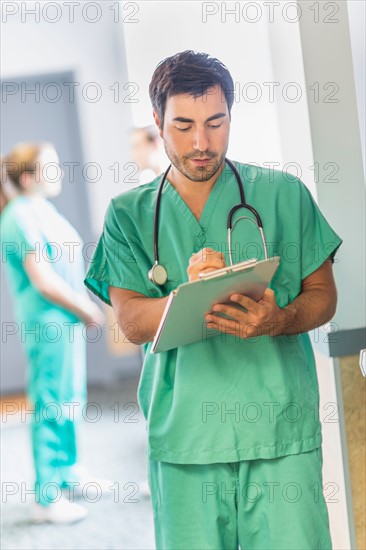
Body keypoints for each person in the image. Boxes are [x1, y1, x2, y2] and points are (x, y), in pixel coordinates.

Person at [84, 51, 342, 549]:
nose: (201, 143)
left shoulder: (284, 194)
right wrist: (188, 297)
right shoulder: (128, 215)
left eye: (215, 123)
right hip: (187, 438)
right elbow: (133, 322)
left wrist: (279, 318)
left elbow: (324, 298)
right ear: (157, 122)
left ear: (231, 117)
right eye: (183, 126)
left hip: (278, 431)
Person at [1, 142, 108, 524]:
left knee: (70, 399)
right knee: (50, 403)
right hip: (49, 322)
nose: (59, 171)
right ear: (28, 178)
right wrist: (85, 308)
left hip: (66, 322)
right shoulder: (18, 216)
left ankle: (69, 473)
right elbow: (43, 280)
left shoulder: (43, 209)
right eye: (51, 166)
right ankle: (46, 497)